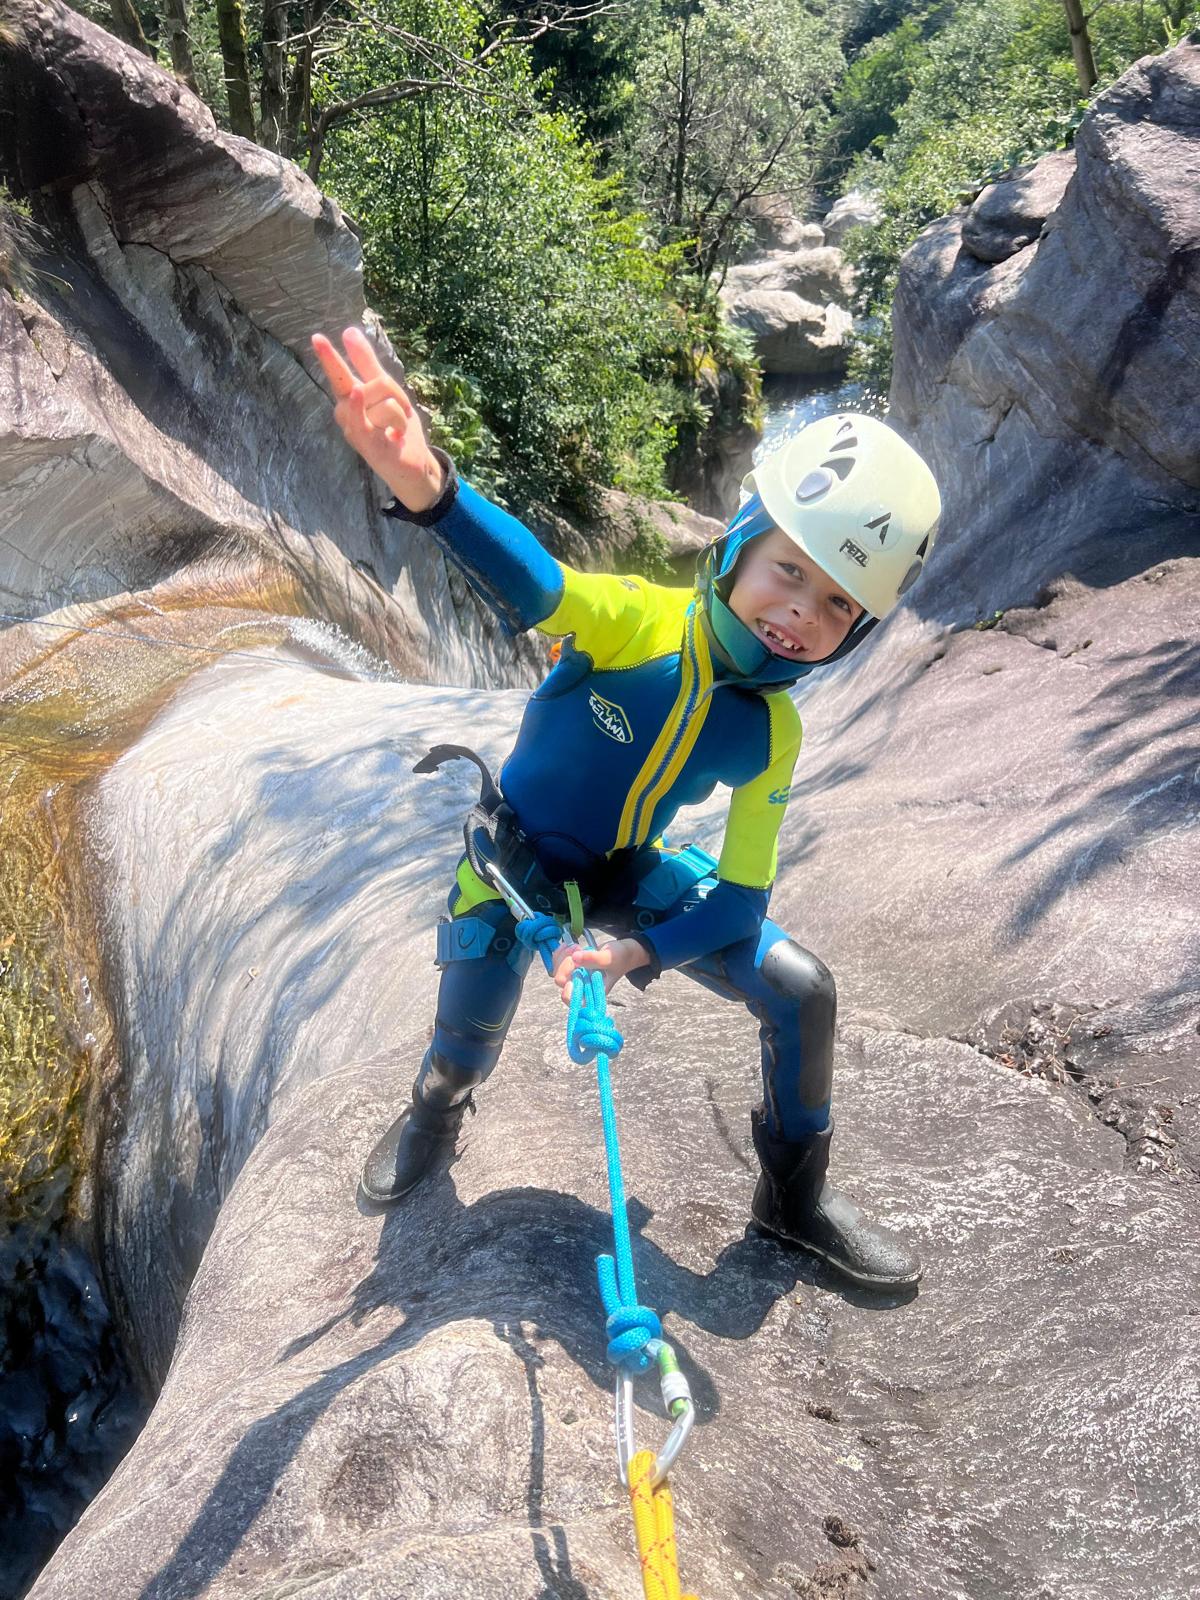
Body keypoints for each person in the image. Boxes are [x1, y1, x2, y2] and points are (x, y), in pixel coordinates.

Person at [312, 327, 941, 1291]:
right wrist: (433, 492)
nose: (799, 614)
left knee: (801, 991)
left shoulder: (772, 731)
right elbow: (539, 584)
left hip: (623, 877)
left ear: (852, 632)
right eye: (790, 571)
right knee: (463, 1045)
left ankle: (795, 1207)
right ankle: (435, 1110)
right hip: (514, 866)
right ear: (739, 544)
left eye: (835, 605)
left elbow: (738, 901)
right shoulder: (641, 619)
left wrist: (634, 953)